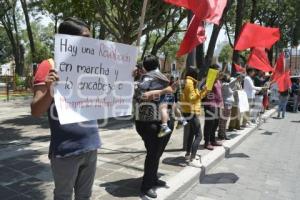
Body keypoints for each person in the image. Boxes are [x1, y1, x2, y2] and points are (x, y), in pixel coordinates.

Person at [31, 18, 100, 200]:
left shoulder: (91, 64)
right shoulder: (49, 66)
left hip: (91, 144)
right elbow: (36, 111)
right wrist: (50, 91)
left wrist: (125, 74)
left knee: (85, 196)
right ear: (67, 40)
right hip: (66, 149)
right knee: (63, 196)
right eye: (85, 38)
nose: (90, 43)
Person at [134, 55, 177, 199]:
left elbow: (170, 98)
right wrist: (165, 91)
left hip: (163, 120)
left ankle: (152, 178)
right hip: (149, 122)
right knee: (153, 153)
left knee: (157, 153)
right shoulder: (146, 79)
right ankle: (146, 186)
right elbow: (142, 96)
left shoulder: (164, 78)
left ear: (145, 66)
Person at [135, 55, 174, 138]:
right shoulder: (162, 76)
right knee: (164, 109)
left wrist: (136, 84)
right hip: (163, 98)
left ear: (145, 66)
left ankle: (165, 127)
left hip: (149, 117)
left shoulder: (149, 76)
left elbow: (143, 87)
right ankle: (164, 125)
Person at [180, 66, 208, 167]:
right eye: (197, 72)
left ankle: (188, 154)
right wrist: (201, 92)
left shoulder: (190, 82)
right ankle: (192, 159)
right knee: (199, 135)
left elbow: (196, 98)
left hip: (189, 111)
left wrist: (204, 91)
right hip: (191, 111)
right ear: (194, 74)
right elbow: (193, 98)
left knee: (192, 133)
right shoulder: (189, 83)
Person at [203, 64, 223, 150]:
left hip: (217, 105)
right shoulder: (210, 79)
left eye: (219, 70)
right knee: (209, 124)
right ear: (213, 71)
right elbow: (206, 90)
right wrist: (213, 78)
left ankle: (213, 140)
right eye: (217, 70)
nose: (219, 71)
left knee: (215, 123)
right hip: (210, 104)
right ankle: (207, 142)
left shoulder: (218, 80)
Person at [218, 74, 241, 140]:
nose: (229, 77)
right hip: (226, 104)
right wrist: (236, 79)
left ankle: (222, 133)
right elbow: (230, 84)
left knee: (224, 120)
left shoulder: (227, 85)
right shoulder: (225, 84)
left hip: (228, 104)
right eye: (228, 76)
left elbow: (230, 90)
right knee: (223, 120)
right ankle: (222, 134)